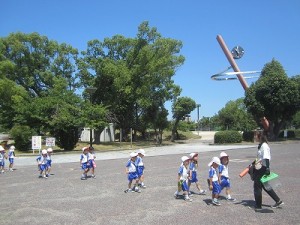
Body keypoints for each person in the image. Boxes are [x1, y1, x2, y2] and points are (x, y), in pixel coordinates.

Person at [252, 131, 284, 209]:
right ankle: (278, 201)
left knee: (257, 186)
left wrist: (267, 168)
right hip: (260, 167)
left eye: (255, 135)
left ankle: (258, 206)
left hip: (262, 168)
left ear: (259, 136)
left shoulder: (264, 146)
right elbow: (260, 158)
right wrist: (253, 164)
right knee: (265, 186)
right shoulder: (261, 145)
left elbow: (266, 157)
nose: (254, 137)